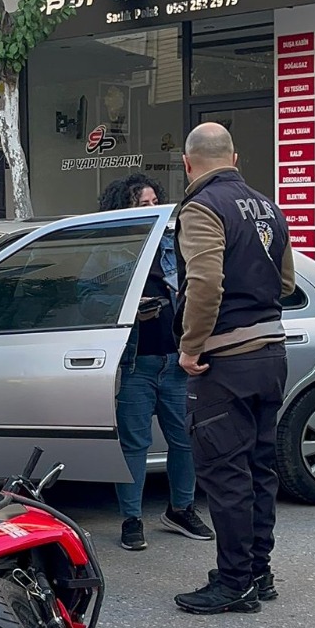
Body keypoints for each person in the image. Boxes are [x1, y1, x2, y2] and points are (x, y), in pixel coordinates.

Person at [173, 124, 295, 616]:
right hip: (272, 355)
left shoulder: (202, 207)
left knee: (225, 477)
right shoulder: (267, 206)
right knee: (259, 471)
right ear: (235, 157)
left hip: (226, 361)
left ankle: (234, 582)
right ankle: (256, 572)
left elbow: (205, 283)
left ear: (187, 163)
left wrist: (189, 347)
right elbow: (286, 282)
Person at [99, 171, 213, 552]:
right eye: (141, 203)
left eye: (153, 202)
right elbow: (87, 297)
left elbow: (198, 289)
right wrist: (129, 311)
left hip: (175, 359)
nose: (152, 209)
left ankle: (180, 509)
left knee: (185, 440)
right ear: (123, 209)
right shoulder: (110, 249)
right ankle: (131, 519)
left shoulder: (173, 243)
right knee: (134, 443)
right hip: (136, 362)